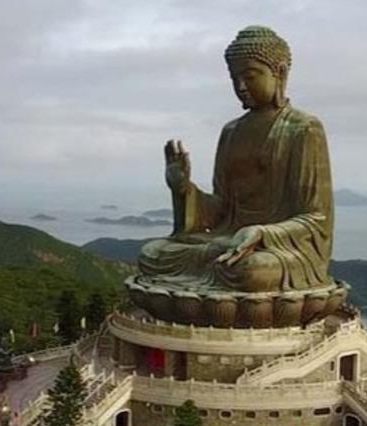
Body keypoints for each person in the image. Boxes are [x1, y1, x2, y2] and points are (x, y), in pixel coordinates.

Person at [139, 26, 334, 293]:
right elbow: (222, 209)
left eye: (250, 76)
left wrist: (262, 233)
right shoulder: (231, 131)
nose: (241, 86)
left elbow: (315, 217)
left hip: (276, 248)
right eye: (235, 78)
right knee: (153, 254)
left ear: (280, 73)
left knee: (252, 271)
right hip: (227, 241)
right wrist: (183, 188)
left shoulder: (304, 128)